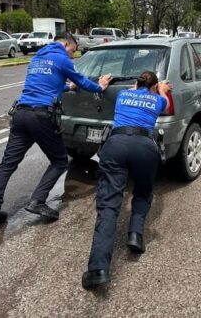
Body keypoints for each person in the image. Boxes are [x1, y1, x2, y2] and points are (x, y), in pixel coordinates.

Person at [0, 33, 112, 232]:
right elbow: (83, 82)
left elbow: (47, 85)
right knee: (60, 161)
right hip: (41, 117)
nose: (73, 55)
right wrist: (100, 87)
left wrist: (67, 87)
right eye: (73, 50)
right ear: (66, 44)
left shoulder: (37, 59)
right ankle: (37, 201)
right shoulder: (61, 58)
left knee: (7, 164)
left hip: (20, 114)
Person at [82, 71, 172, 289]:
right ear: (153, 87)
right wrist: (161, 90)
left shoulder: (123, 95)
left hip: (116, 144)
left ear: (135, 84)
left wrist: (139, 88)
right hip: (144, 147)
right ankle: (135, 235)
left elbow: (134, 92)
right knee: (142, 191)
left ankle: (98, 270)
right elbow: (167, 107)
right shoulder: (157, 99)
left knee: (109, 205)